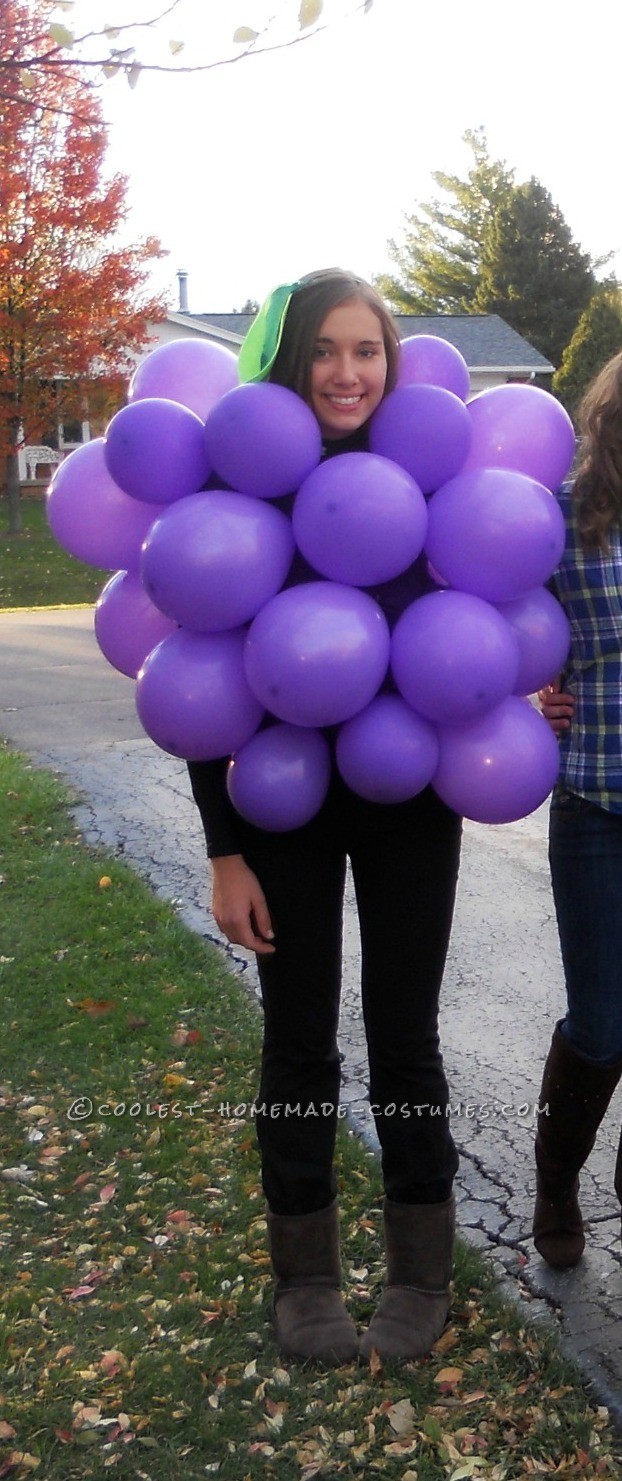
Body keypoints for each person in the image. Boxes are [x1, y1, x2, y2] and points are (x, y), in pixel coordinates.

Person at [187, 269, 463, 1365]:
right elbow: (206, 682)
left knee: (405, 1036)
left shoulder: (430, 475)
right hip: (280, 798)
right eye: (326, 350)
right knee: (298, 1041)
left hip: (410, 797)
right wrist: (223, 846)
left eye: (367, 350)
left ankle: (420, 1265)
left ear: (389, 363)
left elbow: (484, 617)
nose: (348, 373)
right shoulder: (242, 483)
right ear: (294, 357)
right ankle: (303, 1276)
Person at [534, 351, 622, 1270]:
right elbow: (504, 627)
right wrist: (531, 697)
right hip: (597, 792)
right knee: (602, 1024)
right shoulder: (562, 510)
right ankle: (557, 1181)